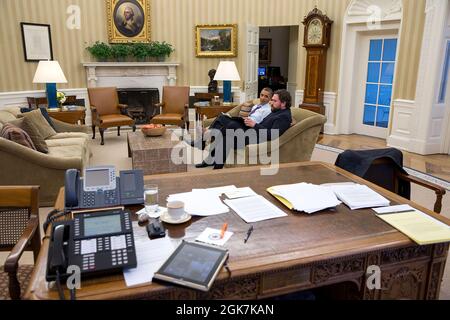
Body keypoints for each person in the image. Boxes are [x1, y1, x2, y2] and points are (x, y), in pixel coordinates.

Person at [196, 89, 292, 170]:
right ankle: (216, 166)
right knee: (227, 135)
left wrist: (254, 125)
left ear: (283, 103)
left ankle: (209, 144)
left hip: (259, 140)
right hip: (254, 133)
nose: (271, 102)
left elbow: (272, 135)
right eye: (272, 100)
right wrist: (251, 124)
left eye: (275, 101)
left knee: (232, 125)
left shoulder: (284, 116)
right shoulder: (277, 110)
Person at [191, 88, 273, 150]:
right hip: (244, 121)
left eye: (266, 96)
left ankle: (207, 134)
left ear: (270, 98)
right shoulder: (256, 105)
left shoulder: (267, 110)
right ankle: (205, 137)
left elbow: (262, 124)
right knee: (222, 116)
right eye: (262, 95)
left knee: (225, 120)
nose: (263, 98)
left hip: (250, 127)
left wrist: (251, 123)